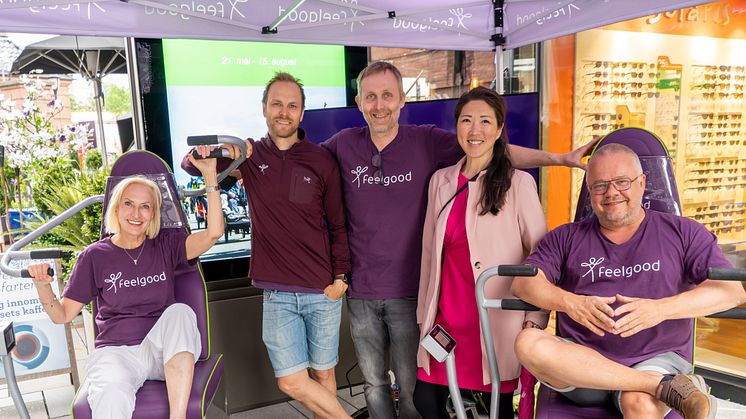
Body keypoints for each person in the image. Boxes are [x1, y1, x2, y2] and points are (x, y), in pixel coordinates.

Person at [320, 61, 596, 419]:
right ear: (359, 102)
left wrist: (556, 159)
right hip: (405, 301)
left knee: (425, 391)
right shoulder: (426, 175)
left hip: (458, 307)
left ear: (402, 99)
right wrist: (252, 154)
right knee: (389, 388)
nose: (379, 104)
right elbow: (301, 160)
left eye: (387, 95)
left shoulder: (431, 143)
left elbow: (491, 154)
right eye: (371, 97)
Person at [511, 143, 746, 419]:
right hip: (583, 365)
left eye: (622, 182)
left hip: (655, 358)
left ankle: (651, 384)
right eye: (599, 186)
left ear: (642, 182)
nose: (611, 193)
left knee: (639, 404)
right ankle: (662, 387)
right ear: (589, 191)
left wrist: (660, 309)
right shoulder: (566, 237)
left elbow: (731, 292)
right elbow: (523, 284)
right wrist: (571, 303)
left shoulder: (683, 232)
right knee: (527, 342)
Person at [182, 72, 352, 419]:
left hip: (322, 290)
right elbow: (191, 167)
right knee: (291, 381)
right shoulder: (250, 155)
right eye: (277, 104)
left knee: (324, 376)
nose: (284, 112)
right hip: (277, 293)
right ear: (264, 109)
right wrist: (216, 150)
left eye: (292, 105)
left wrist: (342, 278)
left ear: (302, 113)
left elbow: (338, 223)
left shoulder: (321, 160)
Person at [27, 146, 224, 419]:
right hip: (116, 353)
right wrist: (42, 284)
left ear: (154, 214)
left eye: (146, 207)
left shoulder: (166, 245)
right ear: (116, 207)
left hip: (160, 350)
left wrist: (210, 176)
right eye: (129, 203)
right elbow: (62, 315)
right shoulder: (94, 256)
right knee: (111, 393)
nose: (136, 213)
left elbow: (214, 233)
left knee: (181, 312)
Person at [413, 87, 549, 419]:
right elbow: (429, 257)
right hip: (446, 320)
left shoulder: (518, 184)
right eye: (467, 121)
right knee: (427, 400)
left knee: (494, 411)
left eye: (485, 121)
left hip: (494, 323)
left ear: (500, 129)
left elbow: (542, 257)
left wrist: (535, 321)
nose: (475, 131)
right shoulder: (440, 181)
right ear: (456, 126)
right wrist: (423, 316)